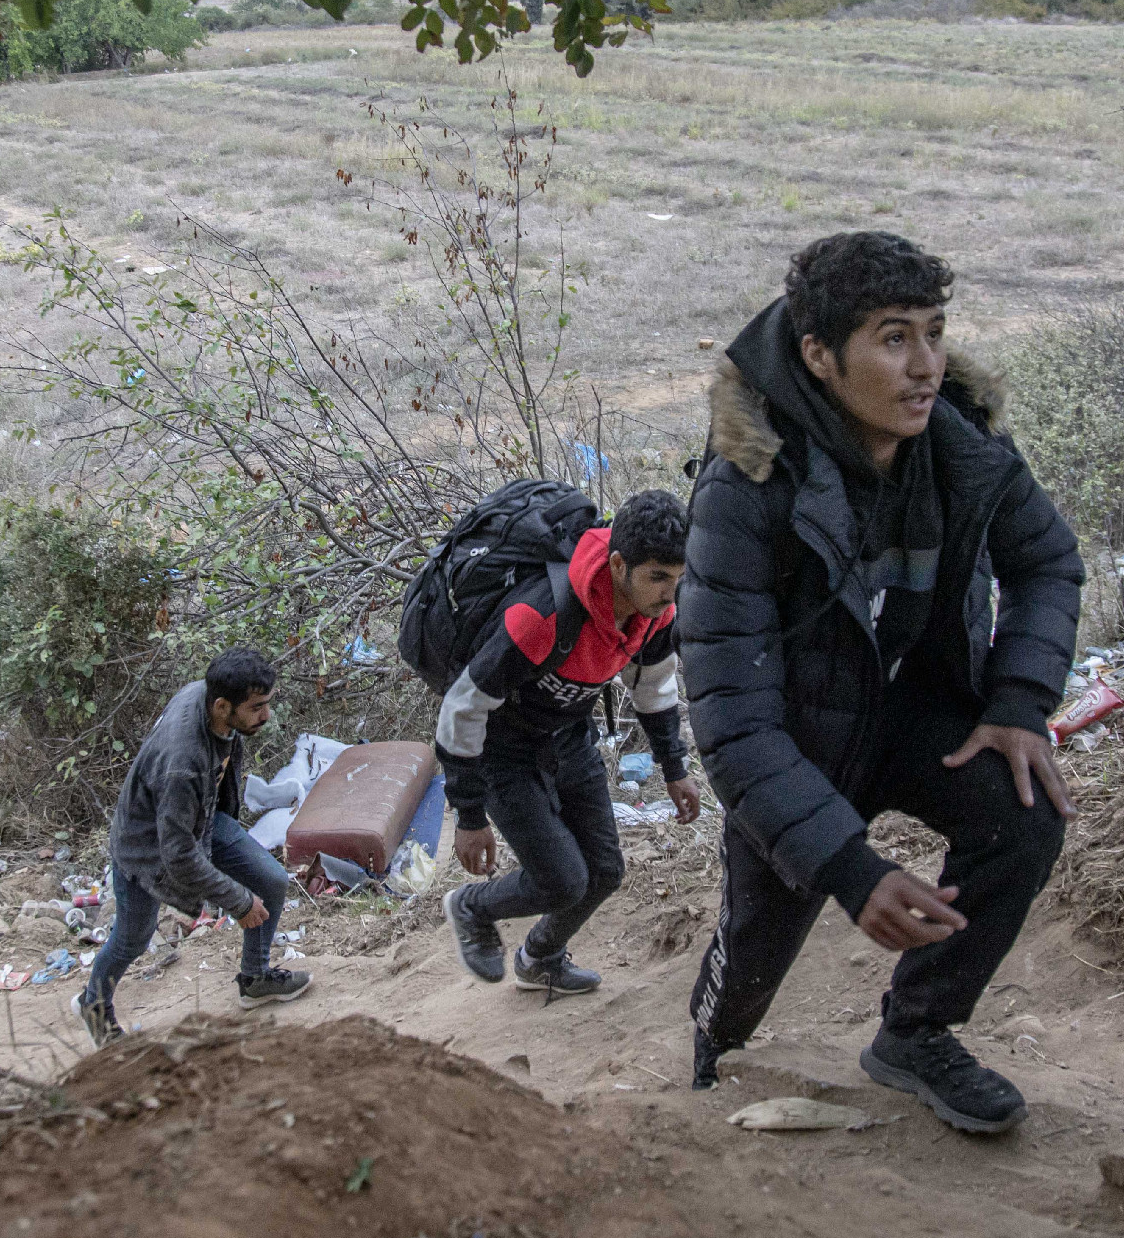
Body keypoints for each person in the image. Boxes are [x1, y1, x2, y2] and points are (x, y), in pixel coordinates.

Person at [679, 230, 1084, 1133]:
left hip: (910, 713)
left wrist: (1020, 703)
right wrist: (852, 869)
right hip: (796, 740)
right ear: (820, 356)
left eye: (935, 333)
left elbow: (1050, 563)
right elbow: (734, 724)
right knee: (757, 944)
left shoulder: (962, 448)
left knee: (1023, 811)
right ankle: (710, 1058)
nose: (926, 366)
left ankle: (917, 1028)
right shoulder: (745, 484)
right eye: (893, 338)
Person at [439, 489, 703, 997]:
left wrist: (674, 769)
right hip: (503, 750)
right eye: (657, 578)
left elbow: (655, 687)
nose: (670, 594)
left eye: (677, 579)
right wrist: (469, 816)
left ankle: (540, 959)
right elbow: (462, 707)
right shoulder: (543, 616)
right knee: (563, 880)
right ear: (620, 564)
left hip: (568, 734)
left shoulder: (655, 616)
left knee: (603, 871)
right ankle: (472, 906)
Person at [72, 646, 310, 1046]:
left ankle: (254, 979)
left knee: (270, 879)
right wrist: (237, 902)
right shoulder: (182, 763)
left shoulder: (204, 694)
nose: (265, 715)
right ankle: (93, 1004)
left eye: (267, 703)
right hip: (145, 844)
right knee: (134, 937)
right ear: (221, 706)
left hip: (201, 816)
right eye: (256, 708)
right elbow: (179, 855)